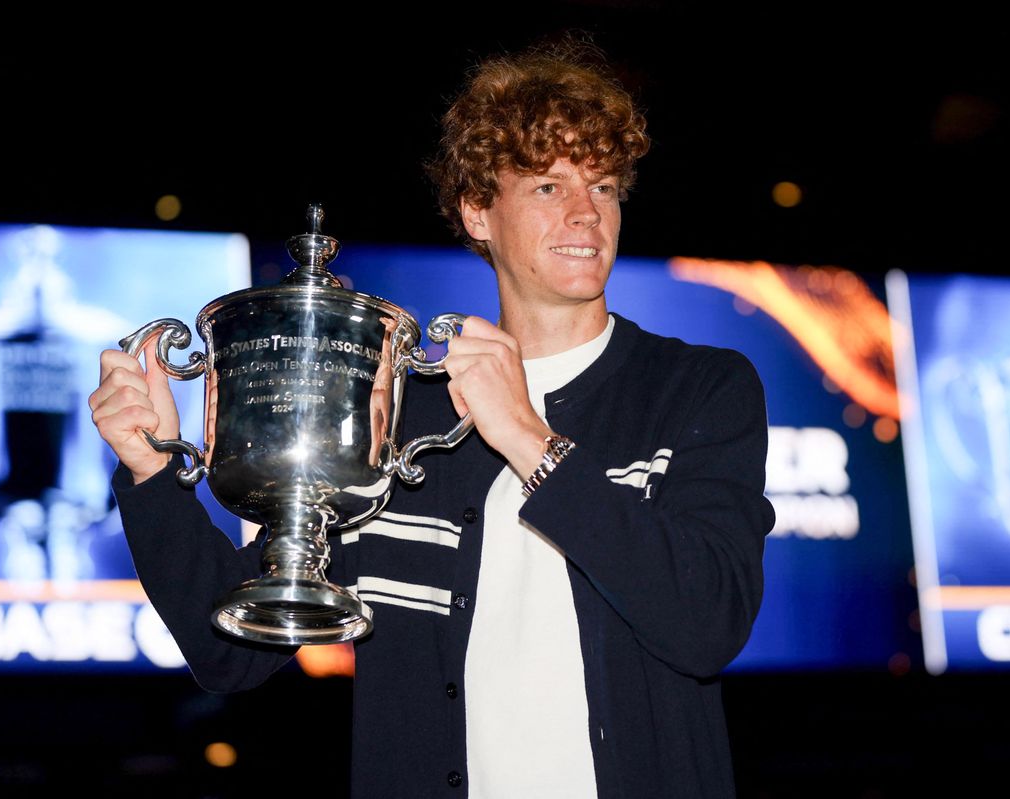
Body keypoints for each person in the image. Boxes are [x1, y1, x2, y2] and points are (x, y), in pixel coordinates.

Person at [90, 42, 774, 799]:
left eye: (604, 187)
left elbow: (708, 624)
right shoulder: (399, 415)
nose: (587, 213)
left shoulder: (699, 387)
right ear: (478, 211)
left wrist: (528, 438)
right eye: (549, 186)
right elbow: (233, 656)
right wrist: (151, 474)